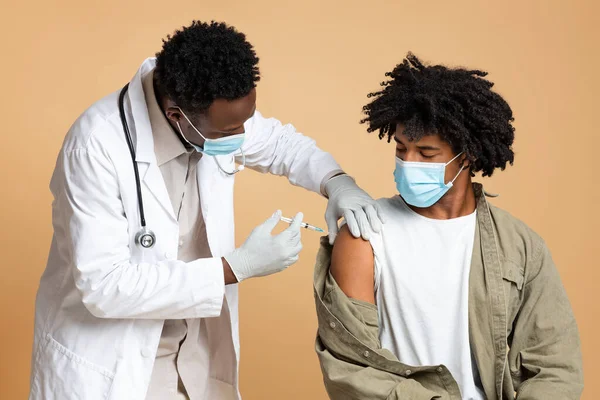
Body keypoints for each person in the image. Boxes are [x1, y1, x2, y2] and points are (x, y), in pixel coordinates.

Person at [29, 21, 384, 400]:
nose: (242, 138)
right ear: (176, 116)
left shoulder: (217, 111)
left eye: (246, 123)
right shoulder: (95, 146)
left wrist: (337, 182)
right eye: (226, 133)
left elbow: (281, 145)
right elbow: (103, 287)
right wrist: (235, 268)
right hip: (118, 364)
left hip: (193, 355)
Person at [313, 53, 583, 399]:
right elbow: (351, 366)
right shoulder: (365, 234)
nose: (408, 163)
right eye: (401, 149)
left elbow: (555, 366)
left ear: (466, 156)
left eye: (426, 154)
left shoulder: (520, 246)